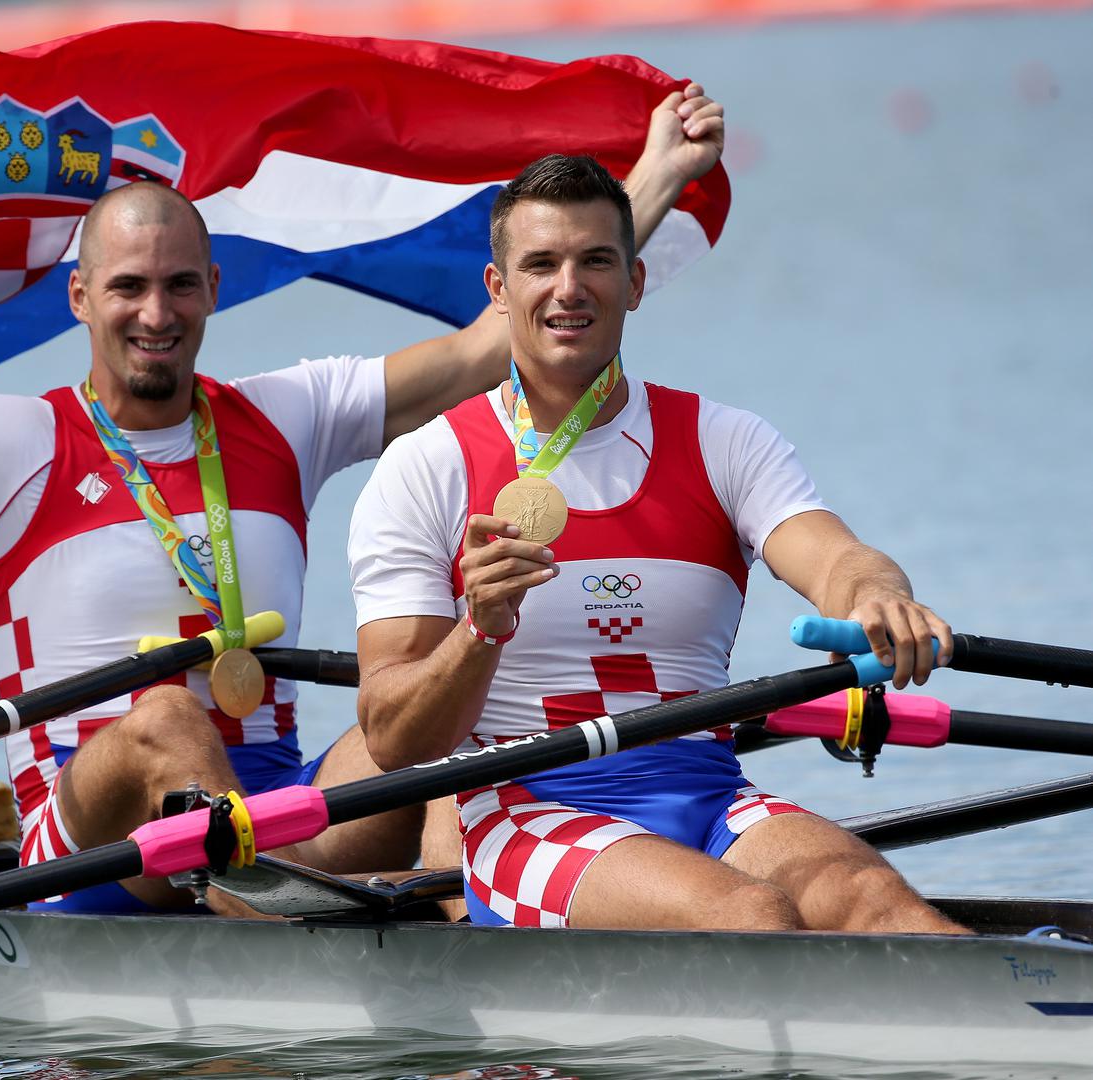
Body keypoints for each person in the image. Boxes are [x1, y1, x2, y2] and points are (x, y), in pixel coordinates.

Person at [0, 87, 725, 916]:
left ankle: (417, 899)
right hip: (86, 846)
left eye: (178, 285)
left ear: (214, 289)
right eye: (126, 287)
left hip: (276, 817)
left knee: (406, 724)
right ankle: (283, 920)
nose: (154, 312)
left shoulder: (288, 414)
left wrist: (652, 183)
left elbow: (486, 349)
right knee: (165, 718)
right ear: (79, 295)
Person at [348, 153, 969, 933]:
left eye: (595, 261)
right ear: (498, 291)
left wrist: (880, 595)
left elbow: (838, 559)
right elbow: (394, 738)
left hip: (708, 793)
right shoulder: (426, 467)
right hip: (525, 807)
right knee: (750, 914)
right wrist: (480, 627)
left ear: (635, 283)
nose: (569, 288)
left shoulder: (725, 440)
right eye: (540, 264)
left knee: (881, 906)